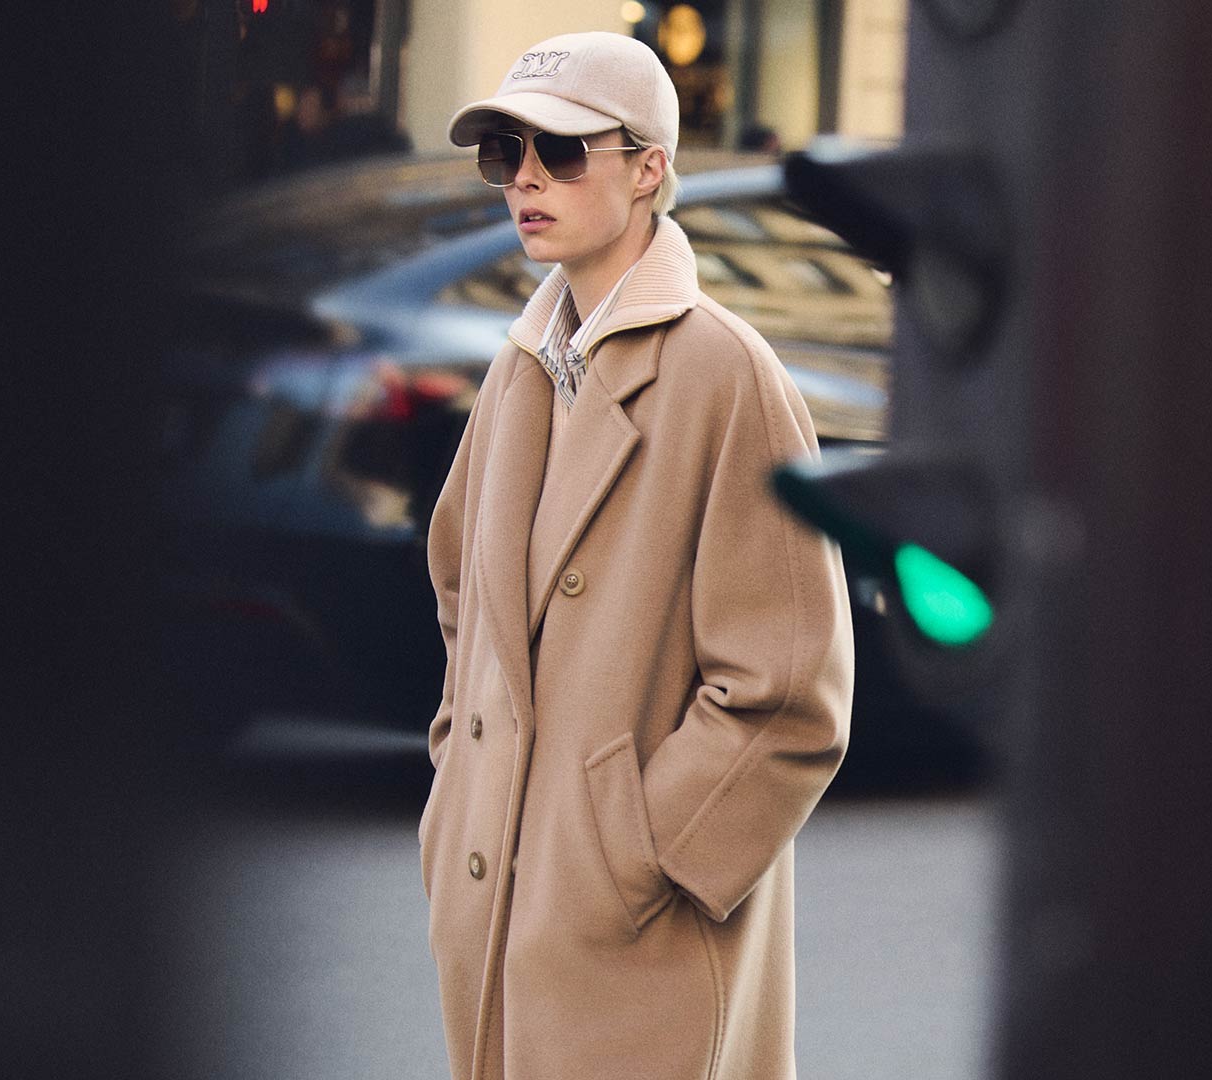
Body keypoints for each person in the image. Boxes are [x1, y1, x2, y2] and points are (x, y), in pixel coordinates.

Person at [418, 31, 855, 1080]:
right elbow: (460, 598)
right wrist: (459, 789)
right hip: (501, 911)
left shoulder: (725, 376)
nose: (525, 176)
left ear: (650, 166)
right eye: (505, 152)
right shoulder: (522, 368)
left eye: (562, 152)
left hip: (637, 934)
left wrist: (641, 852)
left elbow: (791, 687)